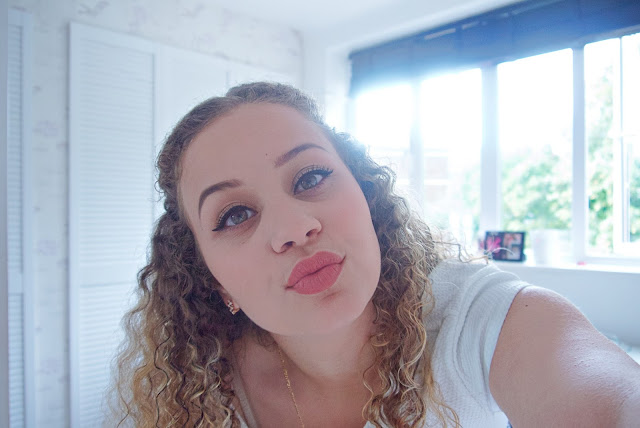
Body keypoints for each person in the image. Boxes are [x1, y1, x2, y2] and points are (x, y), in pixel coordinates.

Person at [113, 82, 640, 427]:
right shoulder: (203, 391)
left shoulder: (482, 321)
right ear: (212, 279)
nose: (295, 228)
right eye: (234, 215)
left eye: (311, 177)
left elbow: (608, 402)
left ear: (366, 196)